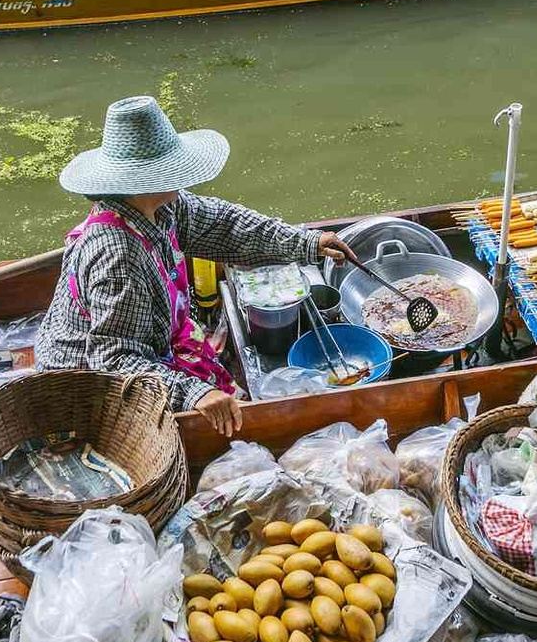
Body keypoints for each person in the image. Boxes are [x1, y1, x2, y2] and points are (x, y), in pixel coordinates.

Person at [35, 96, 355, 436]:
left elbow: (226, 225)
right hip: (91, 384)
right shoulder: (118, 255)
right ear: (150, 178)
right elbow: (116, 360)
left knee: (233, 403)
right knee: (230, 419)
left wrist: (305, 242)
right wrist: (193, 393)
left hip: (150, 343)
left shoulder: (162, 209)